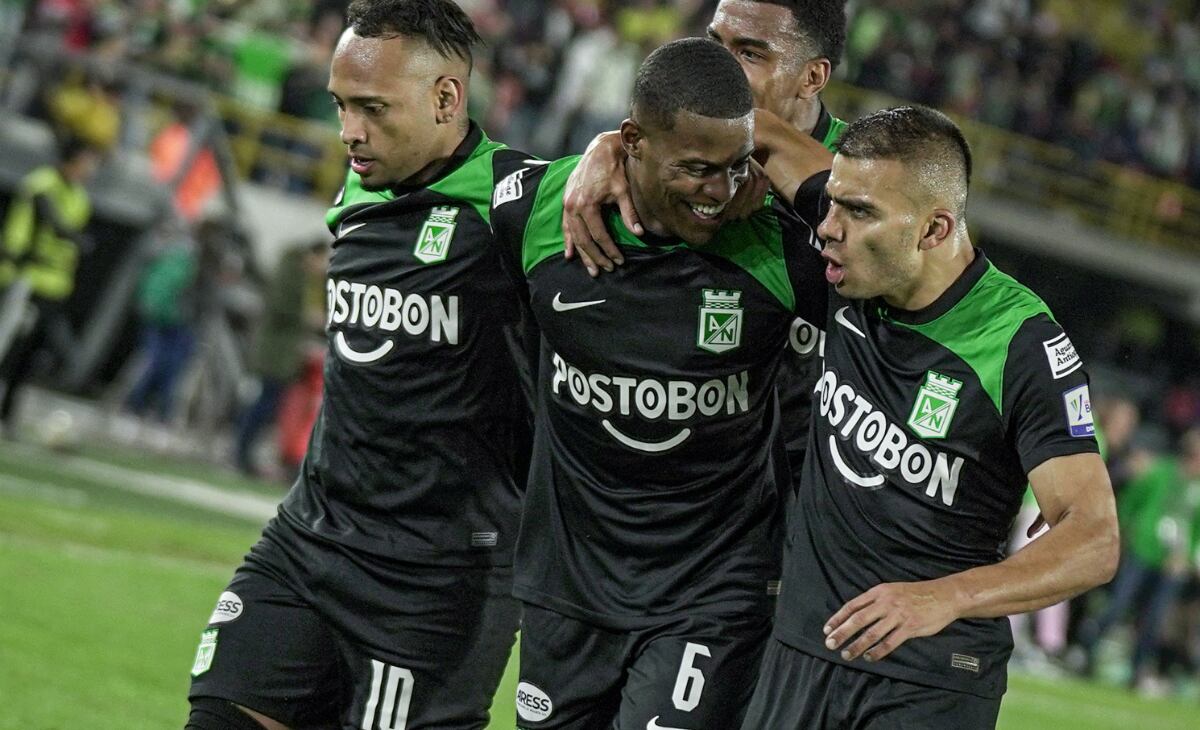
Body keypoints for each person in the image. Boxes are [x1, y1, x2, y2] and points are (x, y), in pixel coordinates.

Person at [186, 2, 533, 728]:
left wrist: (602, 160)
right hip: (310, 535)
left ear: (447, 97)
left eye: (372, 108)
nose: (349, 131)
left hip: (438, 576)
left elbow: (658, 187)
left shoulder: (522, 200)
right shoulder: (361, 185)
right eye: (341, 105)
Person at [489, 38, 831, 729]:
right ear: (633, 143)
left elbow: (907, 255)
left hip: (711, 591)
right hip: (568, 585)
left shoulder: (778, 247)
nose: (720, 193)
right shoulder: (533, 213)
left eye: (736, 169)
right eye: (698, 171)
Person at [741, 106, 1120, 729]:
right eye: (832, 201)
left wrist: (946, 597)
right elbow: (744, 123)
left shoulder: (1019, 342)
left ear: (934, 229)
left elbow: (1095, 539)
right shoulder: (856, 250)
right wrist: (606, 157)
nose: (826, 228)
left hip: (928, 682)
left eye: (857, 211)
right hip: (800, 652)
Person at [562, 0, 849, 491]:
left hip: (813, 491)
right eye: (716, 44)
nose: (720, 68)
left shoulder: (868, 174)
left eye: (751, 54)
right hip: (681, 483)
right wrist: (612, 145)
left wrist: (767, 138)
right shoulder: (666, 157)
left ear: (813, 77)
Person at [1075, 427, 1200, 692]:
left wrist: (1186, 557)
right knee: (1118, 605)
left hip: (1172, 565)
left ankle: (1138, 670)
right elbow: (1131, 502)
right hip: (1143, 551)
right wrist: (1125, 534)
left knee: (1154, 619)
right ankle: (1084, 651)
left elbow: (1196, 531)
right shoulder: (1160, 472)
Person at [0, 135, 100, 437]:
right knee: (9, 348)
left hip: (55, 284)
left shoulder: (80, 196)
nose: (90, 169)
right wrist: (75, 239)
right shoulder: (42, 183)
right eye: (86, 162)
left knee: (29, 355)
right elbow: (50, 220)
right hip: (24, 276)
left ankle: (7, 417)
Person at [232, 239, 326, 478]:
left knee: (270, 404)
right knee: (264, 403)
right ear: (313, 255)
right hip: (275, 352)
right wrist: (307, 317)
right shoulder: (290, 272)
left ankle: (246, 453)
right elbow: (279, 308)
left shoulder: (303, 276)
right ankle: (240, 453)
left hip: (284, 353)